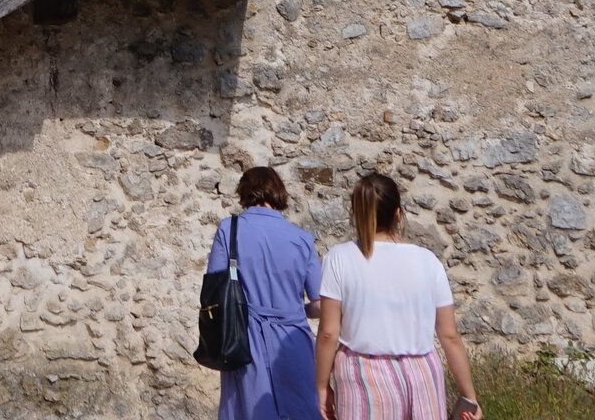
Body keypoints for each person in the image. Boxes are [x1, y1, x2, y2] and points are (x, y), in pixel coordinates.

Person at [314, 173, 480, 420]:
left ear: (356, 214)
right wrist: (470, 397)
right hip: (423, 374)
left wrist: (321, 386)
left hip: (364, 376)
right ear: (398, 214)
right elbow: (449, 336)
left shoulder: (339, 258)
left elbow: (329, 333)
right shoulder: (428, 260)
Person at [206, 166, 325, 420]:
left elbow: (215, 290)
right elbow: (319, 305)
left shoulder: (228, 229)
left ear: (244, 192)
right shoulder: (301, 238)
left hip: (244, 342)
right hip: (292, 341)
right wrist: (297, 309)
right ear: (278, 191)